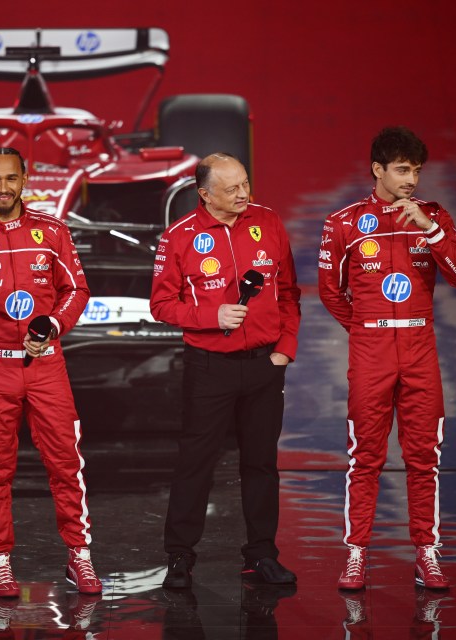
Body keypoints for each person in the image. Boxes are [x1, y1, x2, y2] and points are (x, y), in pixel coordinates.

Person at [0, 147, 101, 597]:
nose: (4, 188)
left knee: (67, 463)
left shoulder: (52, 231)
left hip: (47, 364)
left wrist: (53, 325)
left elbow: (77, 290)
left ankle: (80, 557)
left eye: (12, 178)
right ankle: (1, 562)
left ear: (25, 179)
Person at [318, 126, 456, 591]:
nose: (411, 179)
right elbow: (330, 292)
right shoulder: (343, 222)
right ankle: (357, 554)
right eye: (402, 170)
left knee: (424, 458)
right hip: (371, 352)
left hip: (421, 347)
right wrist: (366, 329)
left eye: (417, 170)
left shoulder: (433, 216)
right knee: (365, 457)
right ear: (377, 169)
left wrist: (431, 230)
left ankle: (426, 553)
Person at [150, 152, 301, 588]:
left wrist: (285, 351)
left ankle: (262, 555)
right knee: (195, 464)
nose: (244, 194)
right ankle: (180, 558)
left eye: (246, 184)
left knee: (261, 465)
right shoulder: (179, 236)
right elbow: (160, 304)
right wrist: (210, 317)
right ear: (204, 194)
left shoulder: (268, 222)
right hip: (209, 367)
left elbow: (289, 292)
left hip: (264, 366)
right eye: (232, 188)